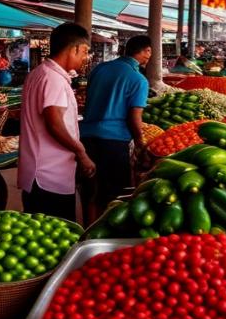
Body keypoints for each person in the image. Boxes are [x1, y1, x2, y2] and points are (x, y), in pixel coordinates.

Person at [18, 23, 95, 222]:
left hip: (39, 172)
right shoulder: (53, 79)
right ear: (75, 48)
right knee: (55, 235)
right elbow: (54, 122)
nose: (85, 58)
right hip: (48, 176)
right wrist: (81, 152)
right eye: (85, 51)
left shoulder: (39, 73)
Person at [80, 34, 152, 223]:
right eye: (148, 53)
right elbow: (134, 116)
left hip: (86, 137)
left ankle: (87, 228)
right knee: (114, 192)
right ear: (146, 51)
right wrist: (139, 143)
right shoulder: (138, 79)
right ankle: (105, 231)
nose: (148, 57)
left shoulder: (99, 69)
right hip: (114, 141)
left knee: (90, 189)